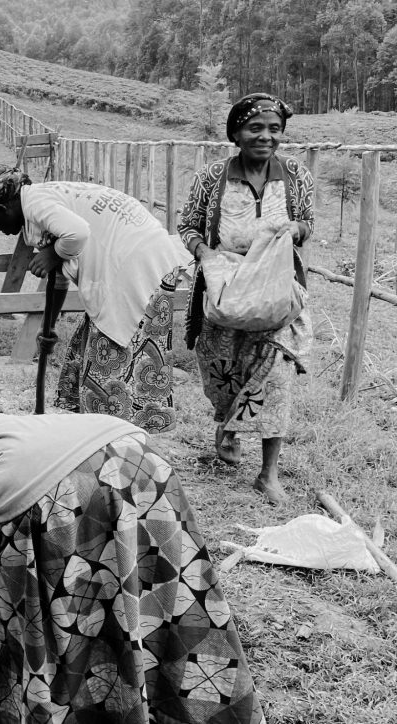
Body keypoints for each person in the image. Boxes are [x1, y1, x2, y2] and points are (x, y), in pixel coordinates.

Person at [0, 364, 266, 724]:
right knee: (155, 594)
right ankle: (180, 702)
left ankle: (40, 705)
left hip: (63, 496)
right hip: (134, 456)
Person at [0, 166, 190, 432]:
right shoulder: (39, 206)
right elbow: (59, 278)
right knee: (90, 355)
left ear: (3, 209)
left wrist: (52, 254)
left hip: (136, 267)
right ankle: (106, 430)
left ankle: (112, 435)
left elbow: (78, 233)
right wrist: (48, 328)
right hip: (145, 261)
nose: (0, 230)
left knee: (111, 363)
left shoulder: (36, 204)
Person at [178, 93, 314, 505]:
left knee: (277, 376)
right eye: (256, 128)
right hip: (225, 290)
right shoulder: (213, 176)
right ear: (236, 133)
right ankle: (228, 423)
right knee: (223, 372)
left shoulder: (294, 174)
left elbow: (307, 222)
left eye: (274, 129)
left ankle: (268, 473)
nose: (266, 136)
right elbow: (187, 225)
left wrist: (295, 230)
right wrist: (206, 255)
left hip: (275, 290)